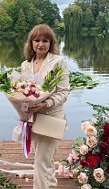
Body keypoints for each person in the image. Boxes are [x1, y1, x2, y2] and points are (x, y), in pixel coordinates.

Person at [20, 24, 70, 189]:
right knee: (44, 159)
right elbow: (22, 92)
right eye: (37, 40)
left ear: (51, 43)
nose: (40, 44)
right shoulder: (25, 64)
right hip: (32, 118)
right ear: (31, 43)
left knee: (41, 160)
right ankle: (51, 185)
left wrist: (45, 103)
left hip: (51, 117)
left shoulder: (58, 62)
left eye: (45, 40)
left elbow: (63, 93)